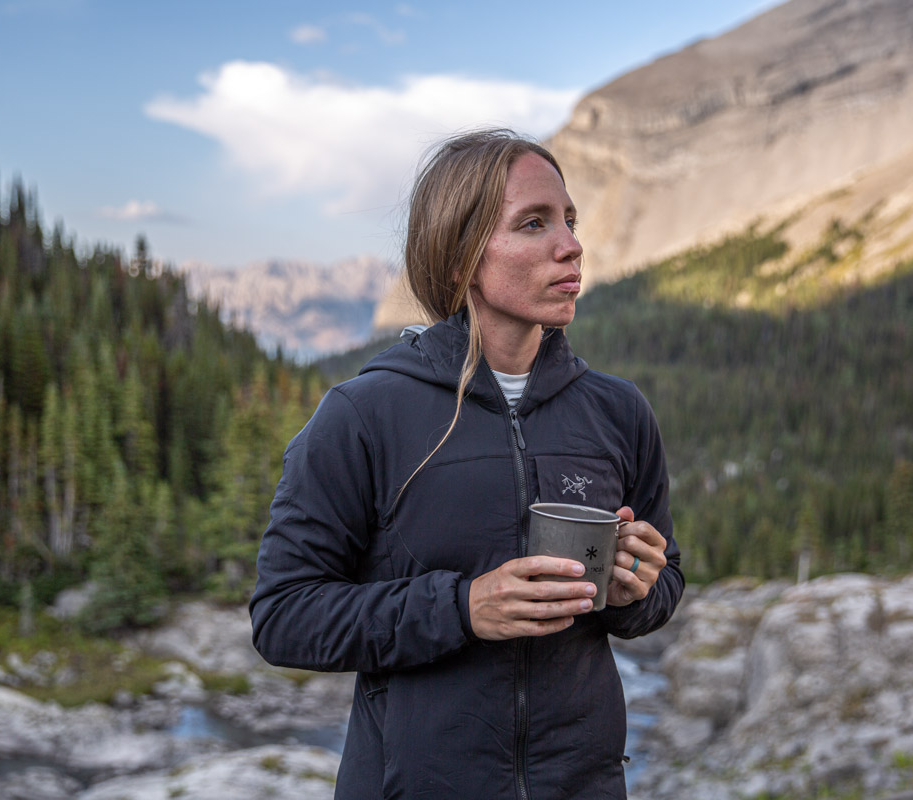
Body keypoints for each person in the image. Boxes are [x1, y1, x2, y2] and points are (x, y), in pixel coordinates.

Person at [250, 129, 685, 800]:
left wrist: (636, 588)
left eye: (569, 221)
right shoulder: (364, 415)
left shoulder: (617, 412)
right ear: (459, 257)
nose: (570, 244)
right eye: (533, 224)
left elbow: (661, 587)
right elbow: (284, 615)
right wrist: (461, 608)